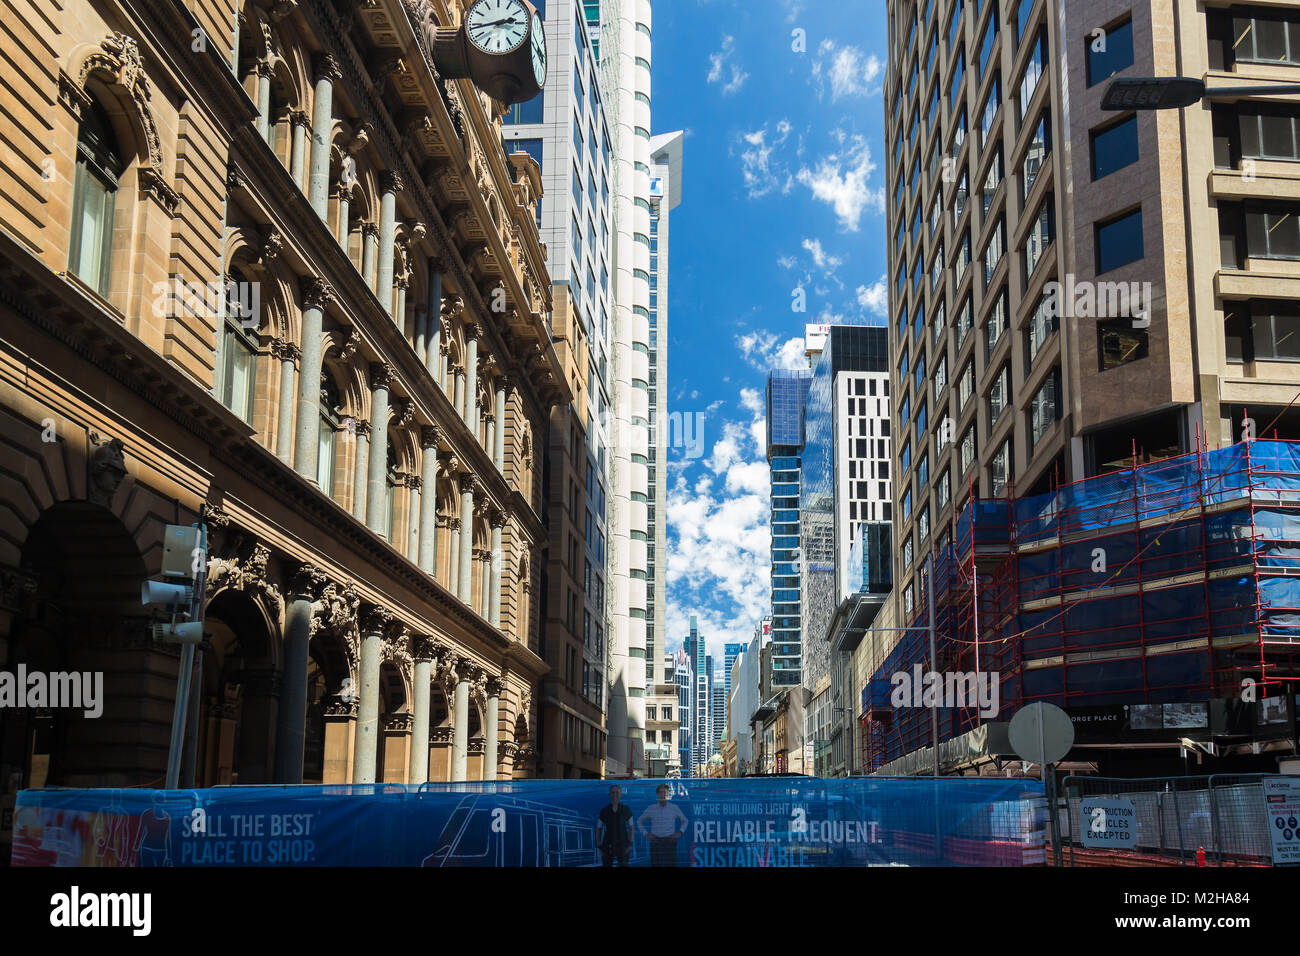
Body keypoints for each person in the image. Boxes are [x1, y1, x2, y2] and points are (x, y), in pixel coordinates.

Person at [638, 784, 687, 867]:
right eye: (661, 792)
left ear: (668, 794)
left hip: (670, 841)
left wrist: (680, 832)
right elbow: (639, 821)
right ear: (657, 794)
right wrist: (645, 833)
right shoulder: (651, 808)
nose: (663, 794)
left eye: (665, 792)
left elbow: (685, 821)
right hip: (656, 842)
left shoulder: (674, 808)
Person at [596, 785, 633, 867]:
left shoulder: (626, 810)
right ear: (610, 794)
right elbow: (599, 829)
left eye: (617, 792)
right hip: (607, 845)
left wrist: (630, 844)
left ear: (621, 794)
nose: (615, 794)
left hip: (623, 845)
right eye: (613, 792)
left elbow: (631, 828)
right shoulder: (604, 811)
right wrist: (599, 846)